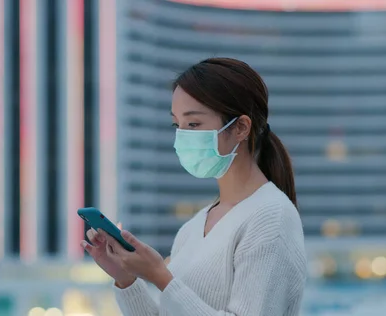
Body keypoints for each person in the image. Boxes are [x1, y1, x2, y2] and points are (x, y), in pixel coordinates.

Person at [81, 57, 306, 316]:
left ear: (242, 127)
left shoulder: (271, 217)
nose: (183, 136)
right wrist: (126, 279)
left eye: (194, 124)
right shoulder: (193, 227)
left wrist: (161, 277)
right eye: (177, 125)